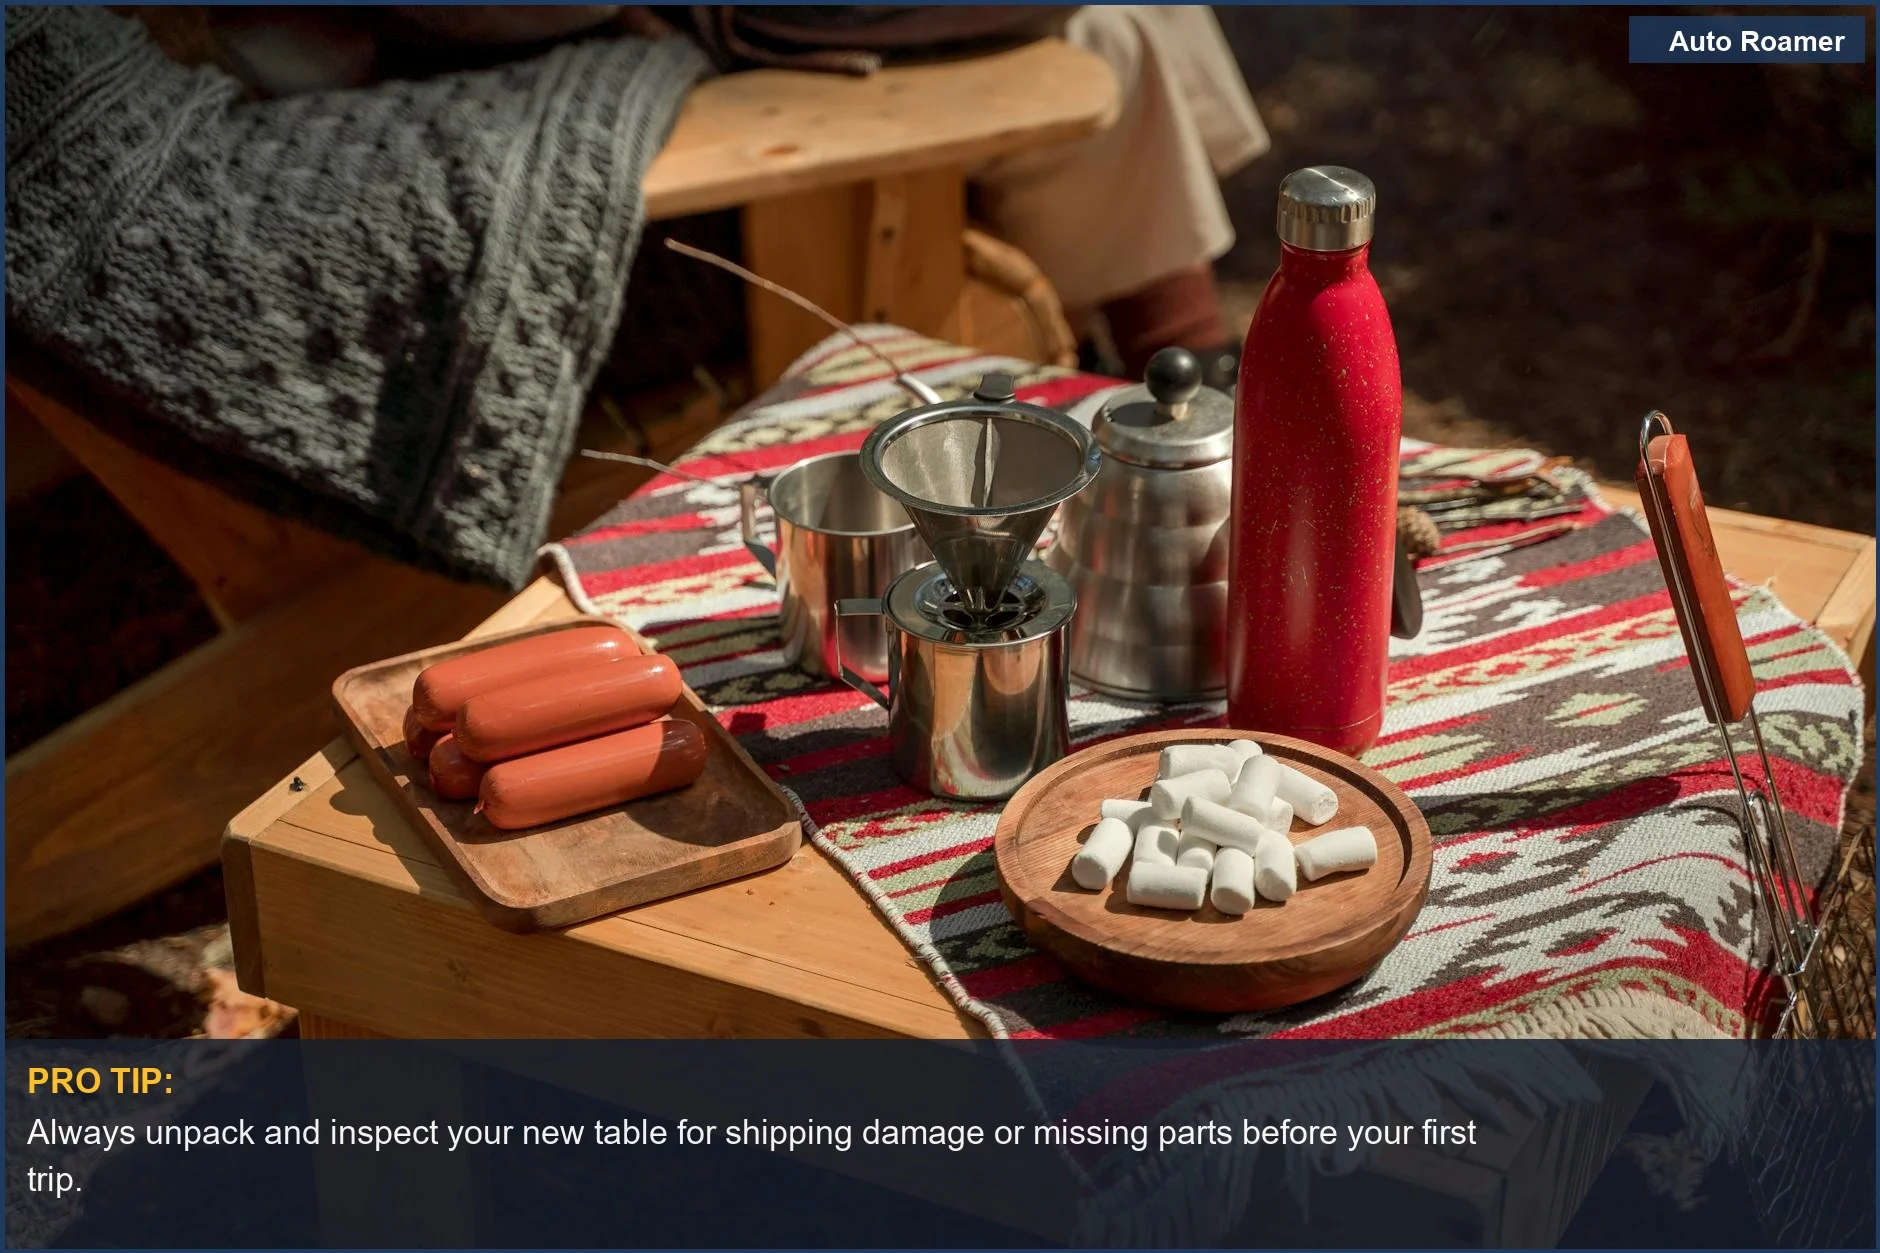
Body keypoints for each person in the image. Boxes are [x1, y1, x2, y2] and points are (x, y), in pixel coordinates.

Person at [202, 5, 1269, 385]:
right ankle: (1175, 379)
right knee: (1105, 30)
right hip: (553, 95)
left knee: (1109, 21)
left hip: (645, 49)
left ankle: (1182, 384)